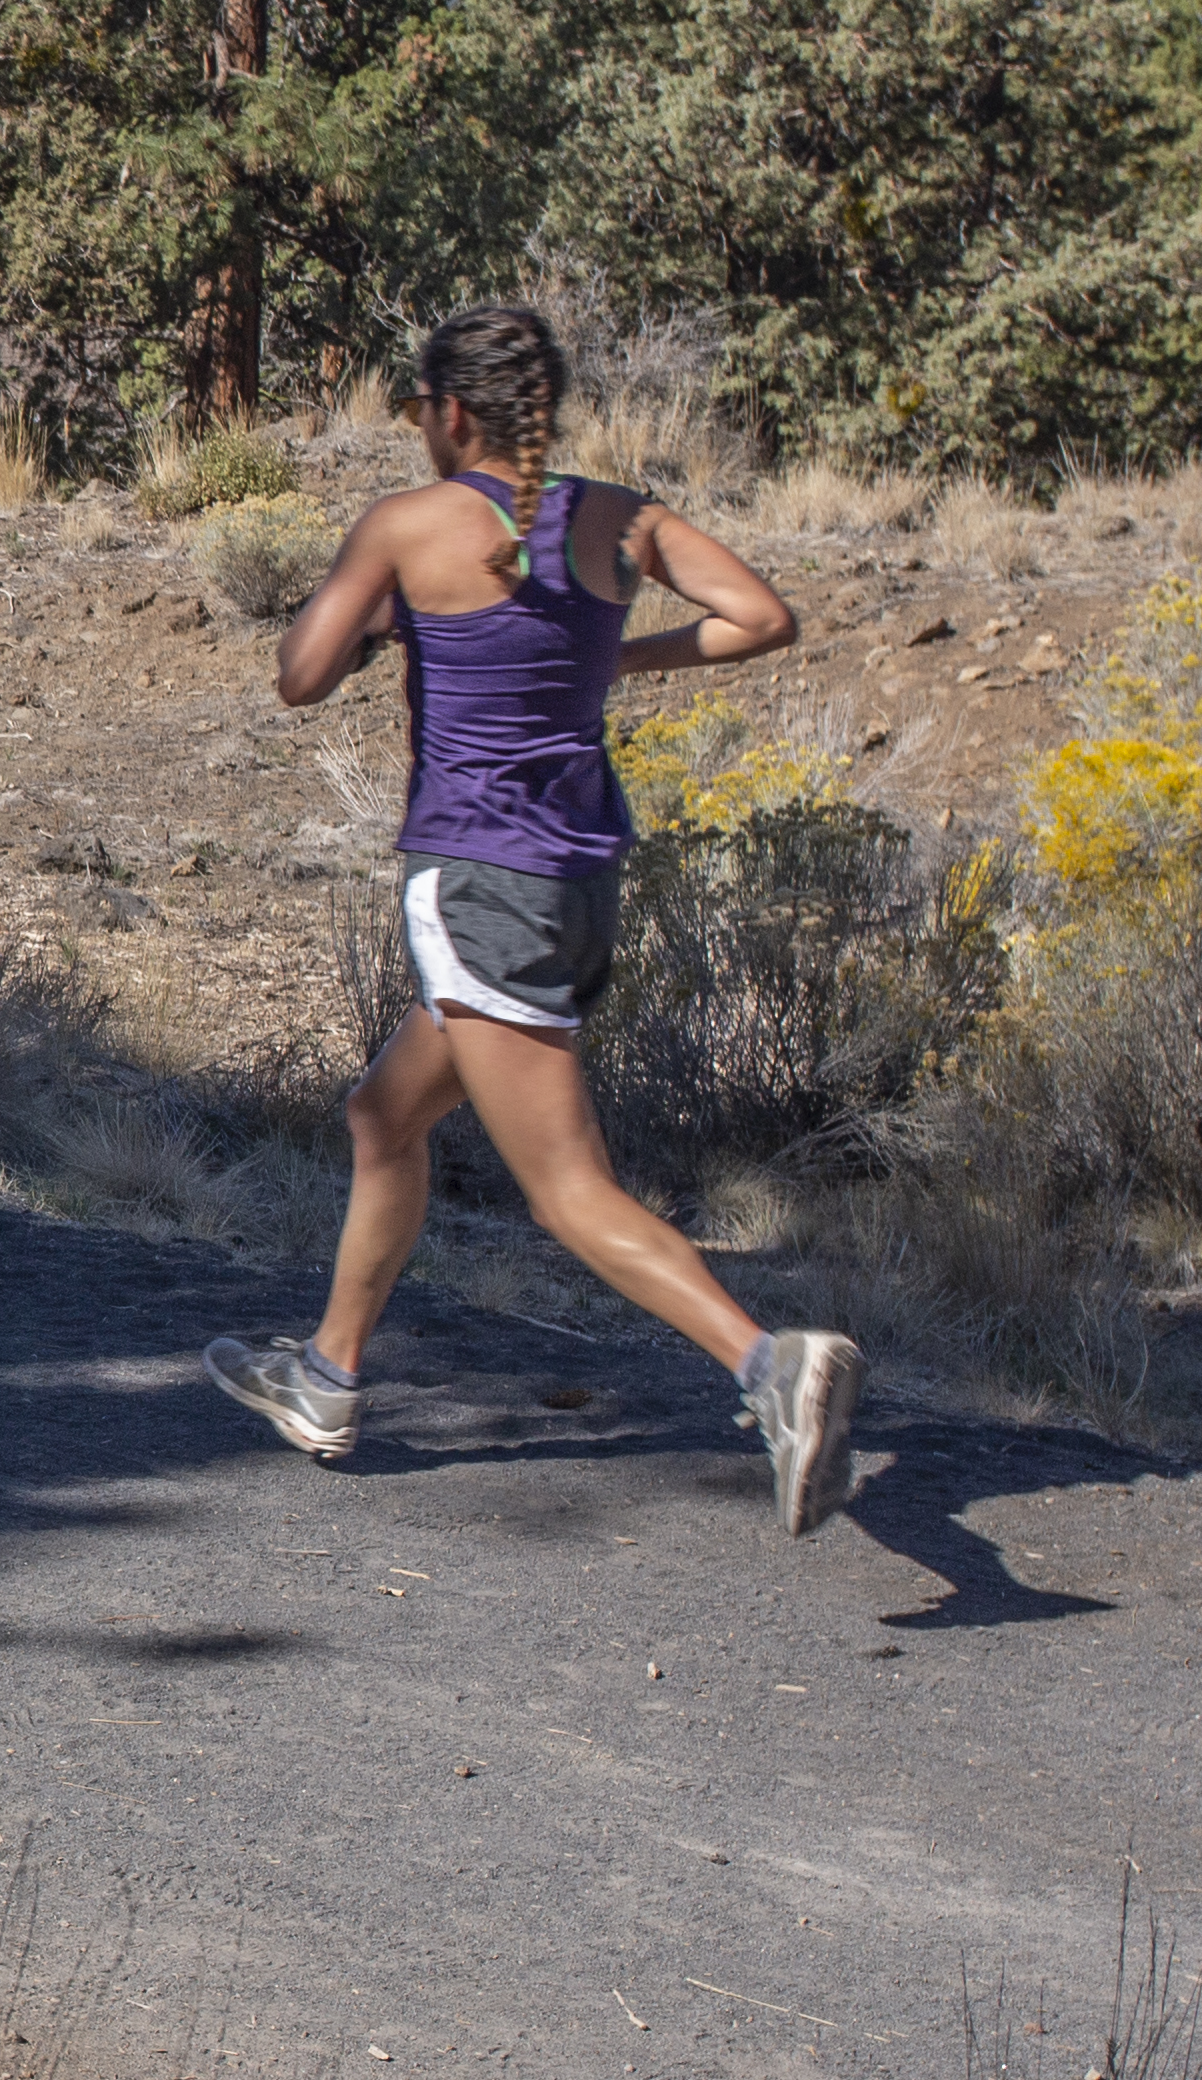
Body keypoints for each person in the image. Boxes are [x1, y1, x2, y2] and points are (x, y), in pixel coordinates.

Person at [202, 304, 867, 1535]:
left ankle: (772, 1368)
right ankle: (329, 1378)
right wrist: (622, 657)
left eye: (419, 412)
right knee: (384, 1113)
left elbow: (296, 673)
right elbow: (763, 617)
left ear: (449, 413)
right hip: (580, 884)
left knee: (567, 1191)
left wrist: (381, 620)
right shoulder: (621, 518)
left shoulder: (409, 528)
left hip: (476, 885)